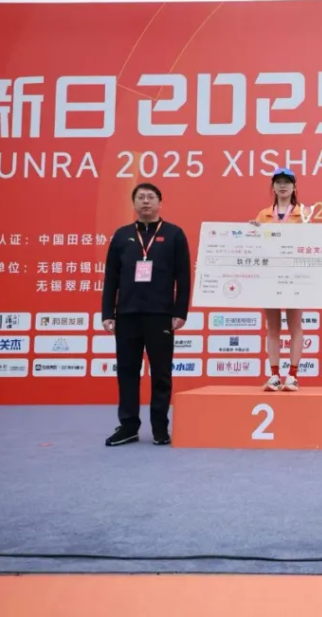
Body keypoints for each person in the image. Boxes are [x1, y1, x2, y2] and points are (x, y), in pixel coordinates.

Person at [101, 183, 191, 447]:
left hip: (160, 315)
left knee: (161, 373)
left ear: (160, 203)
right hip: (127, 314)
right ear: (134, 204)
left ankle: (160, 428)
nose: (146, 202)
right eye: (140, 197)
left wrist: (180, 311)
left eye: (151, 197)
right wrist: (108, 312)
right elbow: (111, 277)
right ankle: (128, 426)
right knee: (127, 371)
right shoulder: (122, 235)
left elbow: (184, 276)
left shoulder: (174, 234)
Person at [252, 167, 309, 391]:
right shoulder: (263, 215)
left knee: (295, 326)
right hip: (270, 276)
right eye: (278, 182)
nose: (283, 185)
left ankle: (292, 376)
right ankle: (274, 376)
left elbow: (312, 243)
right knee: (273, 328)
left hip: (294, 277)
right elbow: (256, 246)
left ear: (294, 187)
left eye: (287, 182)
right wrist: (252, 232)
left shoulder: (304, 214)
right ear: (273, 187)